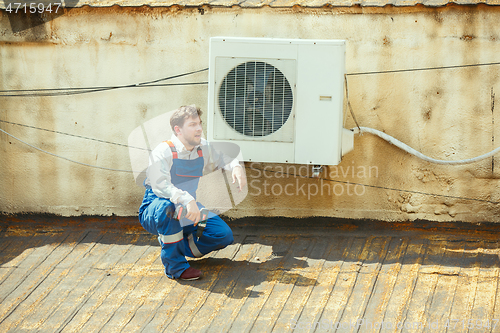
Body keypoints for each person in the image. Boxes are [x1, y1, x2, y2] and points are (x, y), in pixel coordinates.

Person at [138, 105, 247, 280]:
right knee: (169, 209)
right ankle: (176, 268)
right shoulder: (164, 151)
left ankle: (175, 244)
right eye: (192, 125)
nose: (199, 129)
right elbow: (160, 186)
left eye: (199, 124)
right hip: (156, 208)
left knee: (222, 234)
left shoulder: (202, 147)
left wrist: (235, 167)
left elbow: (225, 156)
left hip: (188, 208)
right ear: (178, 129)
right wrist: (186, 199)